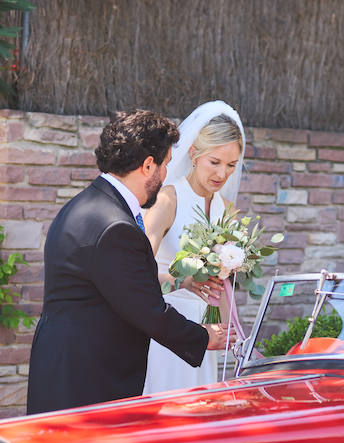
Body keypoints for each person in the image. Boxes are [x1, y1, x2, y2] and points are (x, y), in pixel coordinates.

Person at [26, 109, 234, 414]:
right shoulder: (116, 227)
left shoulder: (83, 205)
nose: (165, 175)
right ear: (147, 165)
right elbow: (147, 308)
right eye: (164, 165)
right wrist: (204, 336)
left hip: (63, 368)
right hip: (88, 380)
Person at [140, 101, 246, 395]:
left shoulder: (228, 212)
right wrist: (182, 281)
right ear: (193, 153)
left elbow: (224, 284)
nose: (222, 174)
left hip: (208, 331)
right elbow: (137, 271)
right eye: (215, 162)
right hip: (168, 326)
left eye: (231, 165)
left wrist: (231, 332)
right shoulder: (168, 200)